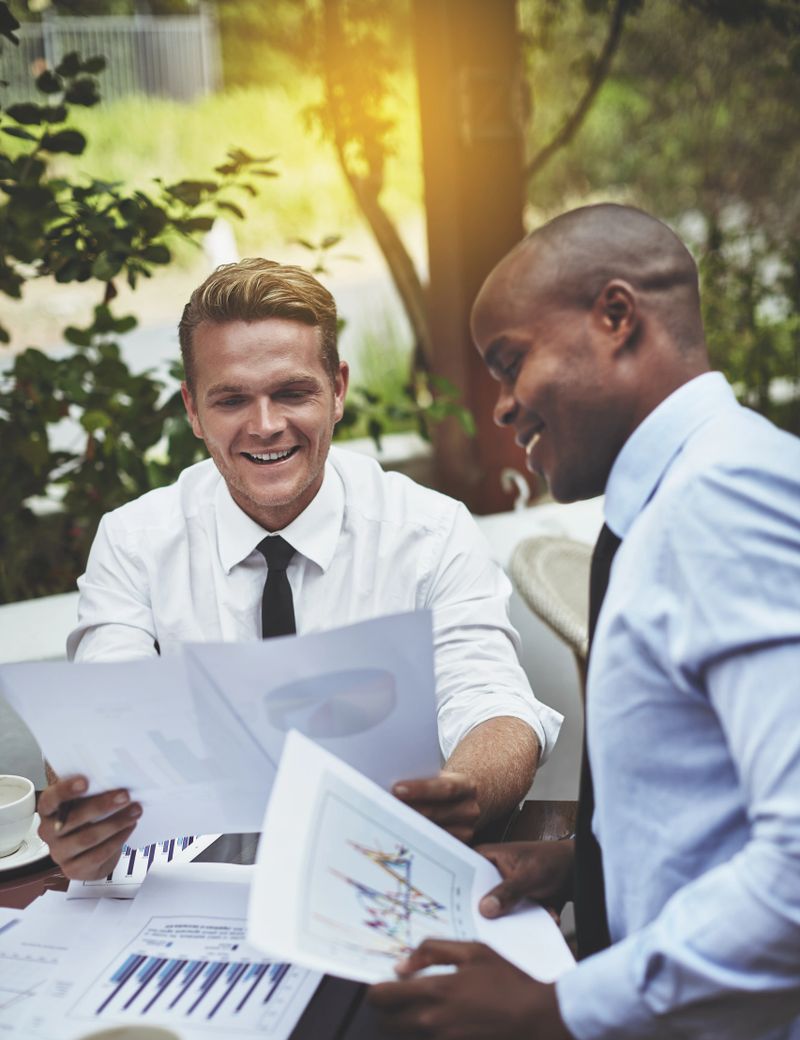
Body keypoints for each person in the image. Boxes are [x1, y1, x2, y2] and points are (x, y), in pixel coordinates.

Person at [368, 204, 800, 1040]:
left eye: (510, 360)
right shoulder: (684, 497)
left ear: (615, 316)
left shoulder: (723, 503)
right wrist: (581, 866)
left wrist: (558, 1015)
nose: (503, 406)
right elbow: (723, 794)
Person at [37, 258, 561, 882]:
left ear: (337, 390)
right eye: (231, 399)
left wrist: (459, 791)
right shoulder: (134, 542)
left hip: (382, 870)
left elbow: (493, 705)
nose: (265, 426)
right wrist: (83, 816)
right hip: (201, 892)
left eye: (292, 392)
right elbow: (104, 719)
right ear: (194, 411)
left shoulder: (430, 530)